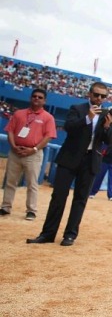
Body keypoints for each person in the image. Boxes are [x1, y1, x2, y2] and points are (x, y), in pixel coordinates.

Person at [26, 82, 112, 246]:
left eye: (103, 96)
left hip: (90, 161)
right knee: (58, 197)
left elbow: (108, 141)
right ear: (90, 94)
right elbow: (69, 127)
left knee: (80, 199)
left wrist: (108, 126)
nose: (99, 98)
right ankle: (47, 234)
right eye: (96, 95)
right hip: (69, 158)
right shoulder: (78, 109)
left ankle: (70, 235)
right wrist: (87, 118)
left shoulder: (106, 115)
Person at [0, 88, 57, 220]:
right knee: (10, 181)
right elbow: (10, 131)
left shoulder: (48, 118)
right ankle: (5, 207)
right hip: (16, 152)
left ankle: (31, 210)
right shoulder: (19, 114)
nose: (36, 99)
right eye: (34, 96)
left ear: (45, 101)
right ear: (30, 98)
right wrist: (13, 146)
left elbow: (48, 137)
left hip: (33, 154)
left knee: (32, 183)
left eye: (40, 97)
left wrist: (34, 149)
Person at [89, 124, 112, 201]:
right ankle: (92, 193)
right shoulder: (108, 137)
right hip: (104, 161)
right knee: (99, 177)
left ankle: (111, 195)